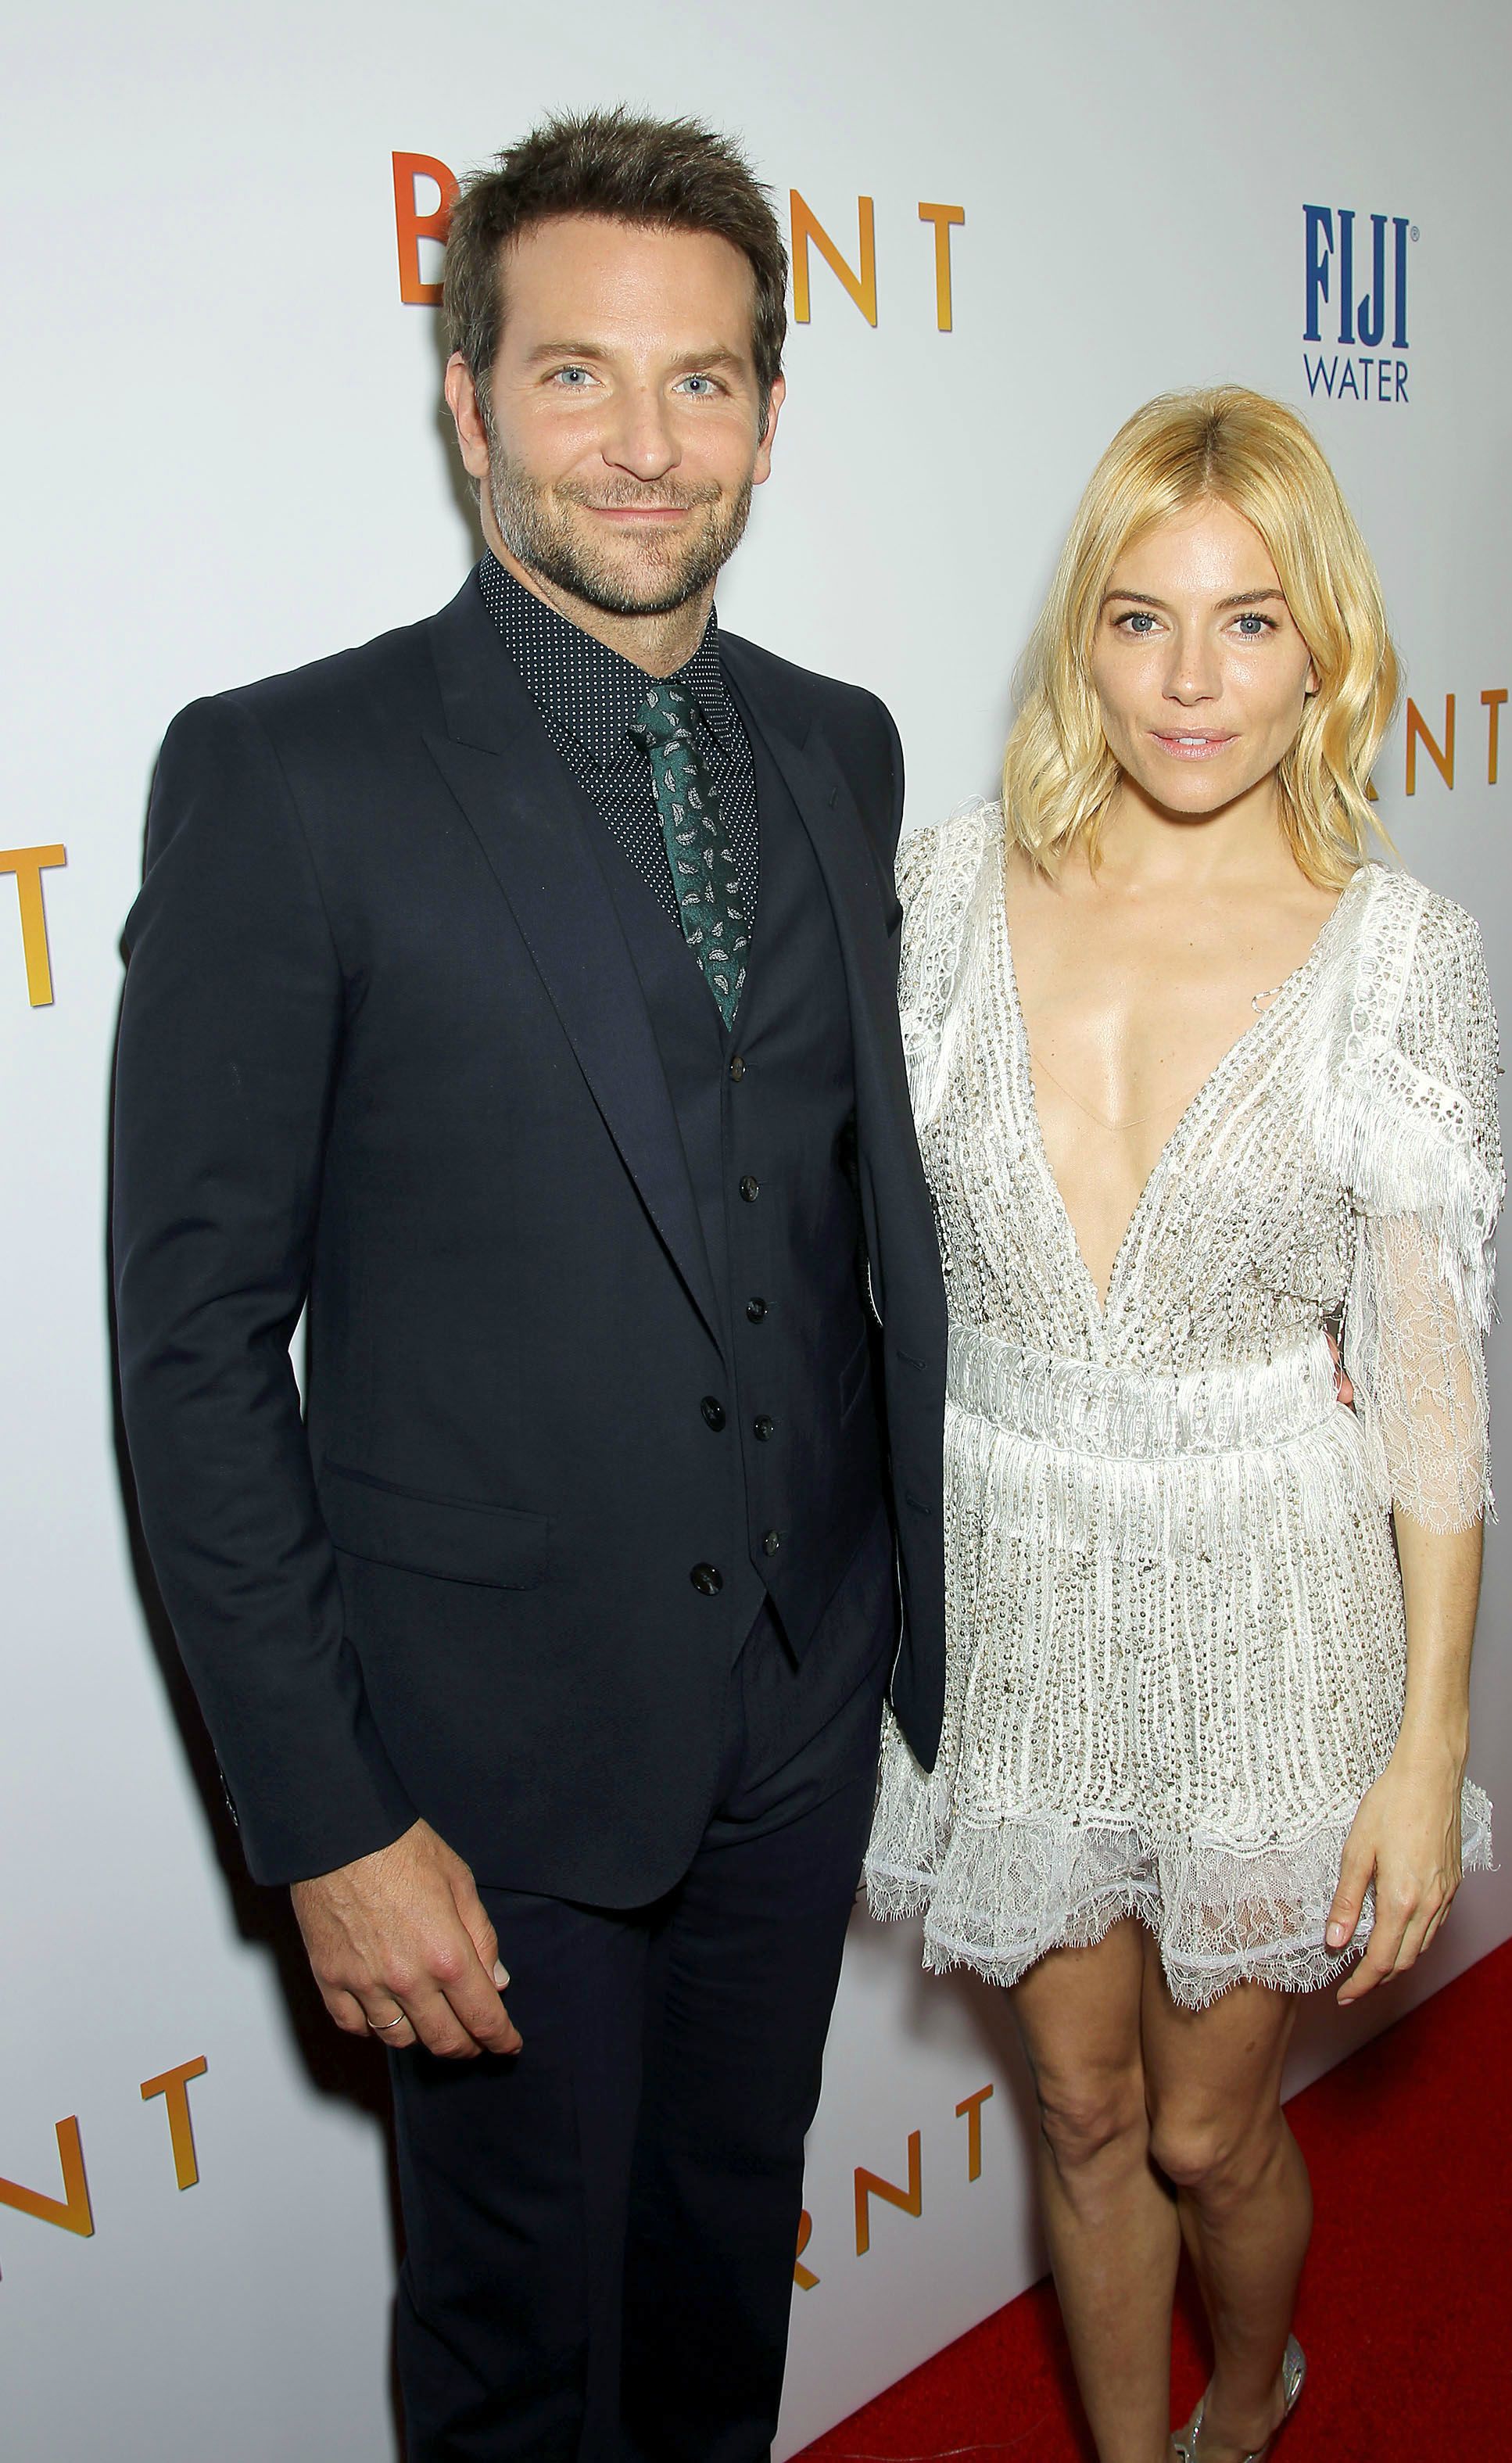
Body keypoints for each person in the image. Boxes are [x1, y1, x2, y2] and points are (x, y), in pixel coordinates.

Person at [113, 109, 947, 2463]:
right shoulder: (286, 777)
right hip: (476, 1766)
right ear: (469, 400)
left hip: (801, 1715)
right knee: (515, 2357)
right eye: (577, 374)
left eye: (701, 381)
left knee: (720, 2273)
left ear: (768, 413)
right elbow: (194, 1348)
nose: (645, 443)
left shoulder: (845, 749)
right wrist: (325, 1816)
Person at [865, 387, 1502, 2463]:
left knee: (1211, 2132)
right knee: (1077, 2105)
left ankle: (1250, 2390)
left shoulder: (1396, 959)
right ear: (1086, 635)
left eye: (1248, 622)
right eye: (1141, 618)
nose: (1190, 681)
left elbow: (1428, 1389)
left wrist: (1426, 1748)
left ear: (1325, 645)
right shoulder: (940, 895)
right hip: (1012, 1586)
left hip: (1266, 1603)